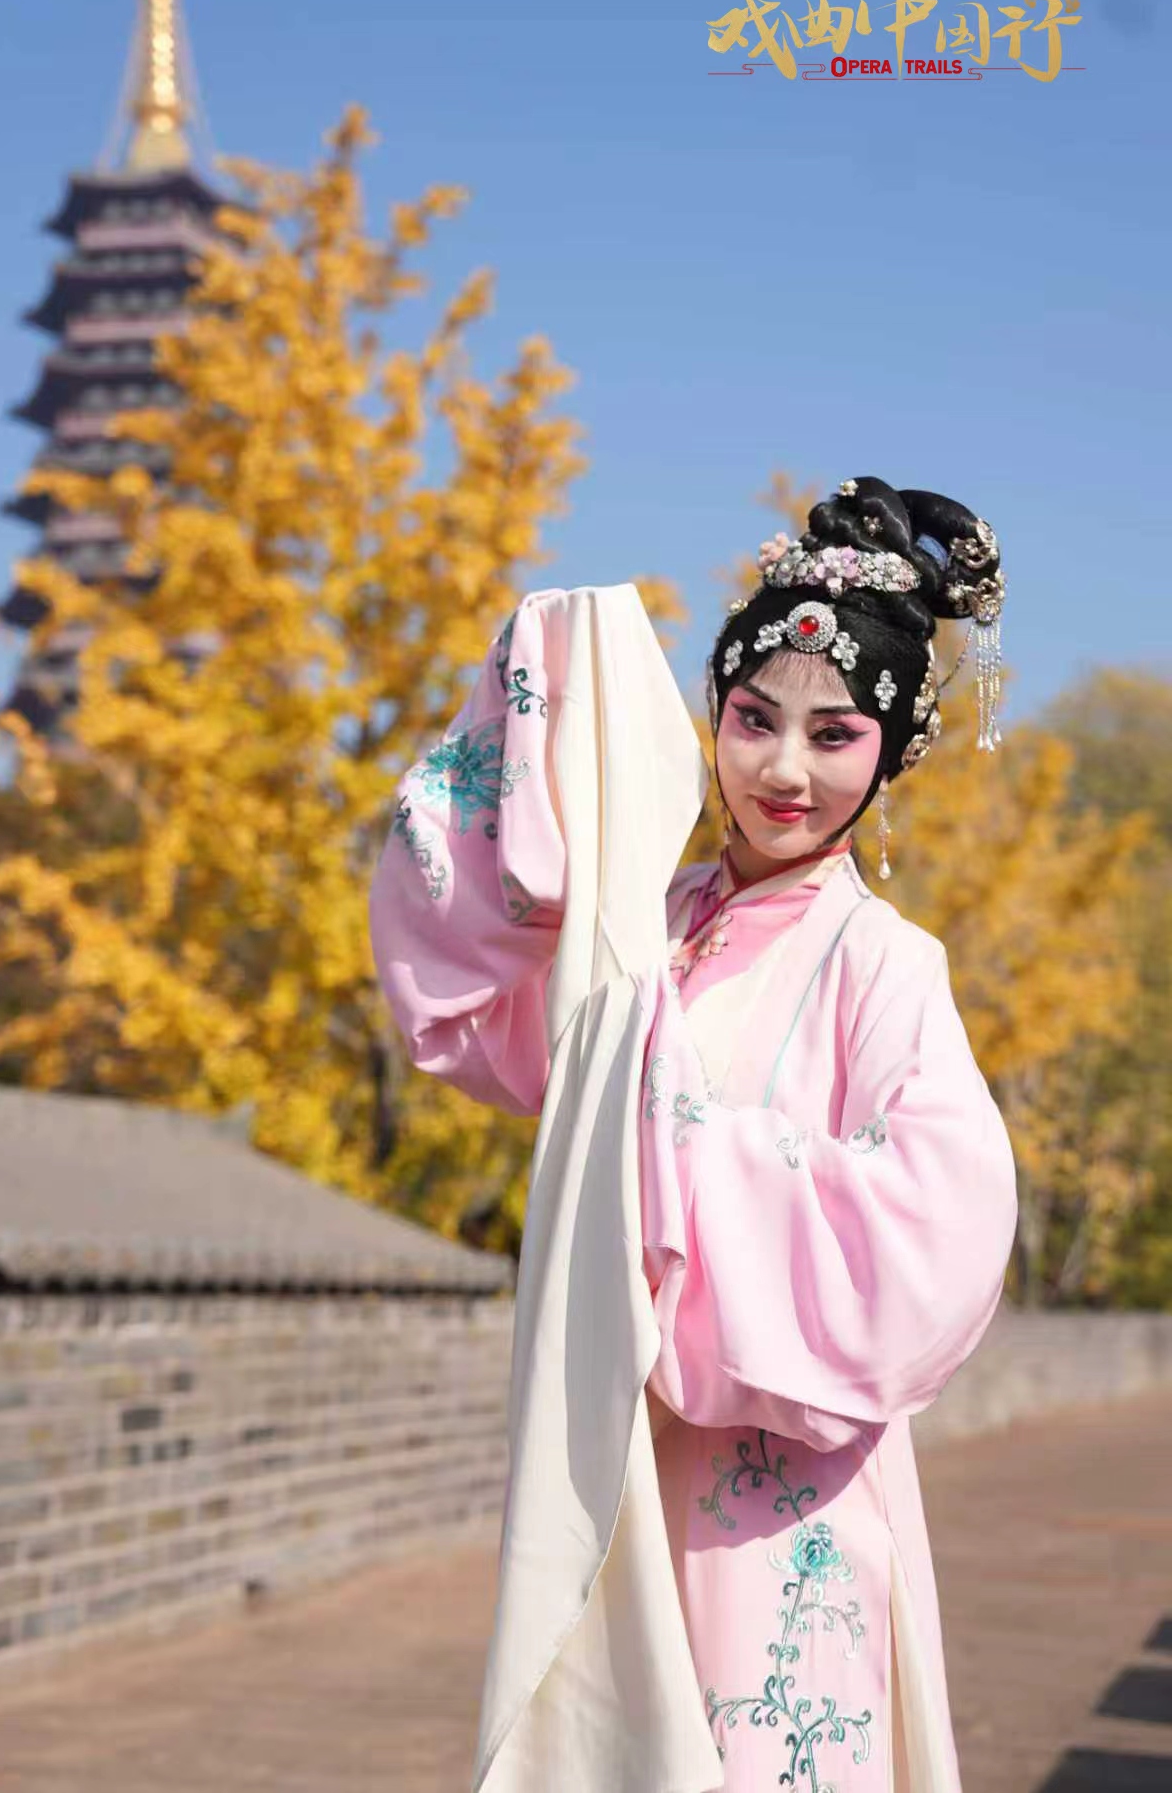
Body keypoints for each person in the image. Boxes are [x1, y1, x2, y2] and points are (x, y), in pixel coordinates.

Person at [369, 475, 1017, 1793]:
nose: (784, 766)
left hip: (782, 1507)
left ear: (887, 757)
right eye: (753, 717)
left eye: (836, 734)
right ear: (708, 716)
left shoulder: (884, 964)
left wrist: (664, 1136)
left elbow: (934, 1234)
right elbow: (470, 996)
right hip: (614, 1468)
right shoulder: (637, 931)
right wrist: (544, 732)